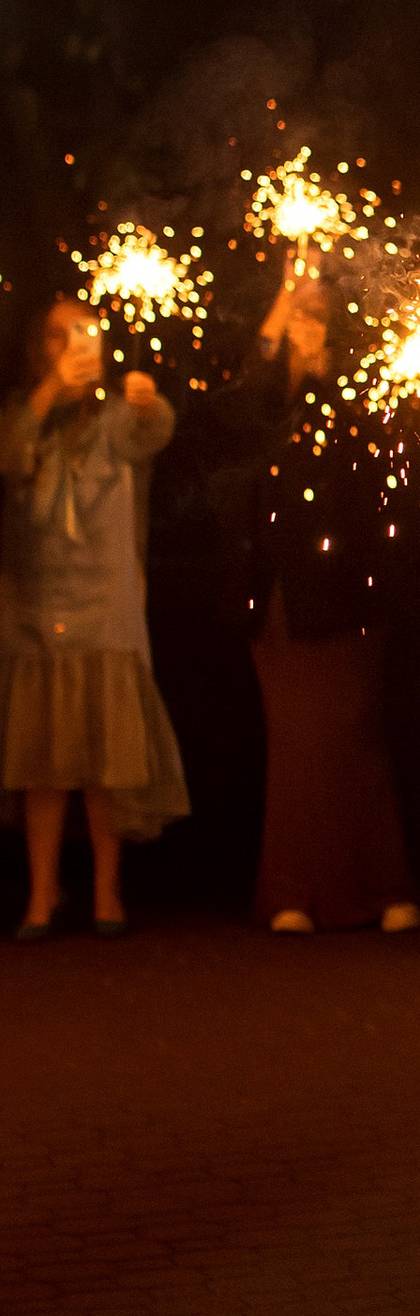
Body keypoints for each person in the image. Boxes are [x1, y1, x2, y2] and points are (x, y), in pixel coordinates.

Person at [237, 262, 418, 936]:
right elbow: (250, 392)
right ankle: (292, 890)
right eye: (296, 315)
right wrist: (283, 302)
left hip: (353, 590)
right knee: (297, 745)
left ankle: (380, 886)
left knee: (355, 736)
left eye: (316, 314)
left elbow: (385, 476)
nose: (305, 325)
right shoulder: (266, 403)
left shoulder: (361, 391)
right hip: (284, 596)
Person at [1, 297, 187, 936]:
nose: (74, 345)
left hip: (105, 606)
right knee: (40, 763)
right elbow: (10, 454)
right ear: (41, 347)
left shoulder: (112, 416)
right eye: (61, 335)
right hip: (34, 605)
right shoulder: (24, 413)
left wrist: (147, 401)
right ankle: (41, 895)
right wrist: (50, 391)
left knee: (108, 757)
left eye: (85, 333)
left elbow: (151, 432)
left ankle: (107, 894)